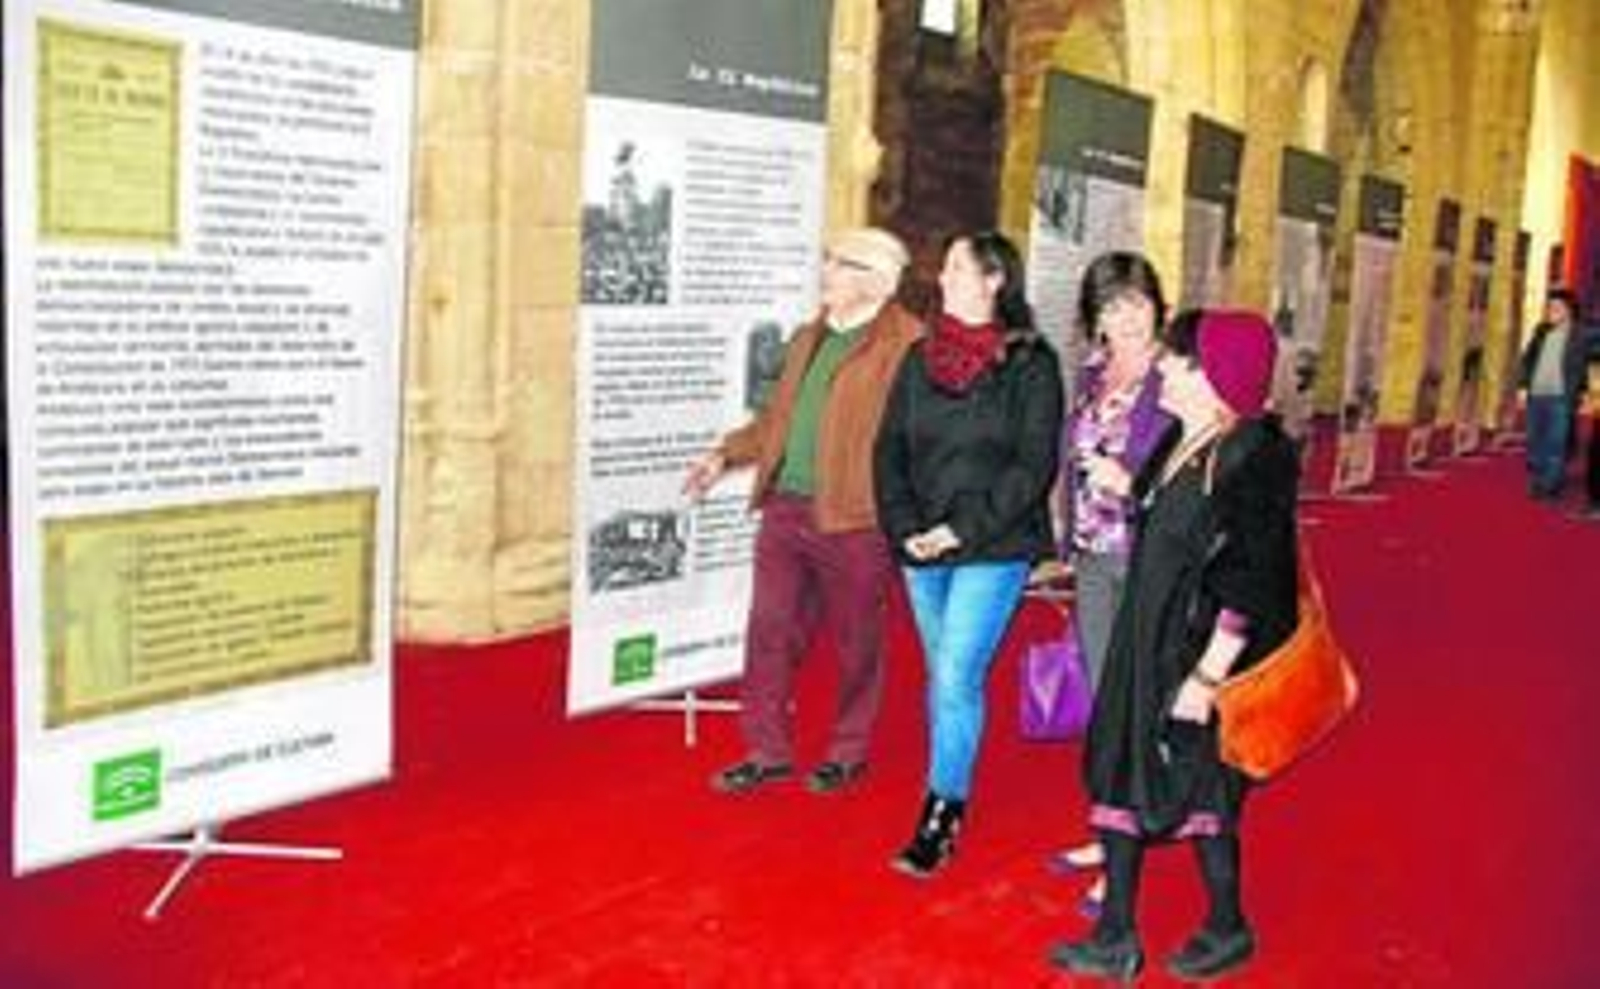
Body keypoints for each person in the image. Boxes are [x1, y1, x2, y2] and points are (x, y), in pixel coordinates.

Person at [1050, 310, 1299, 981]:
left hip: (1193, 650)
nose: (1166, 368)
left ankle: (1226, 925)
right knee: (1124, 765)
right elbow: (1171, 521)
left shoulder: (1250, 457)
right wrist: (1126, 487)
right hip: (1147, 637)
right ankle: (1116, 934)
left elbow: (1252, 574)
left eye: (1182, 362)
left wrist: (1208, 675)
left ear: (1217, 376)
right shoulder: (1182, 437)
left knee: (1202, 786)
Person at [685, 227, 920, 795]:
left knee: (857, 640)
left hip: (855, 520)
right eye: (828, 261)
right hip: (786, 510)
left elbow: (915, 439)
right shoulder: (807, 338)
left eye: (839, 264)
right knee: (768, 629)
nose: (825, 272)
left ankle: (847, 749)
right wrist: (724, 454)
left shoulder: (907, 344)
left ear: (875, 281)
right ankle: (766, 749)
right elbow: (775, 420)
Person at [874, 231, 1063, 877]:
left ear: (994, 281)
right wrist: (904, 526)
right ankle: (947, 777)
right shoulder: (919, 357)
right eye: (946, 263)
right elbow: (889, 449)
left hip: (994, 542)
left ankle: (942, 809)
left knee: (954, 673)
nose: (943, 274)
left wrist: (960, 529)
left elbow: (1032, 465)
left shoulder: (1031, 362)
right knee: (947, 676)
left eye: (957, 265)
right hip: (921, 545)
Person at [1047, 254, 1178, 912]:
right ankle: (1110, 825)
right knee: (1105, 702)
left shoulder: (1175, 374)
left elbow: (1197, 464)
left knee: (1136, 702)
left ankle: (1125, 849)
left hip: (1149, 556)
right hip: (1096, 556)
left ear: (1158, 303)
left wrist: (1134, 485)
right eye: (1110, 304)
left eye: (1136, 301)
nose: (1124, 316)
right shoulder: (1093, 374)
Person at [1518, 288, 1589, 500]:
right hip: (1537, 395)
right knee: (1534, 441)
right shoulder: (1541, 331)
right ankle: (1538, 480)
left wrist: (1581, 392)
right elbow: (1528, 358)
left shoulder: (1580, 334)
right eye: (1549, 307)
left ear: (1568, 310)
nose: (1550, 311)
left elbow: (1582, 366)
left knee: (1555, 443)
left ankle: (1549, 487)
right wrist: (1523, 386)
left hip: (1561, 398)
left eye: (1556, 307)